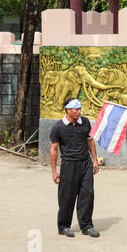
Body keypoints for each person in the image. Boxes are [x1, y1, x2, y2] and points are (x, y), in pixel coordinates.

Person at [50, 98, 100, 238]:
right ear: (68, 110)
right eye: (76, 109)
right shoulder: (58, 127)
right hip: (68, 165)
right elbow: (53, 149)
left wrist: (95, 160)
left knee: (87, 194)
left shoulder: (85, 123)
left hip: (85, 163)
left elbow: (90, 142)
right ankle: (64, 226)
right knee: (67, 197)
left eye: (79, 109)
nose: (79, 111)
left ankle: (87, 226)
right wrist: (54, 171)